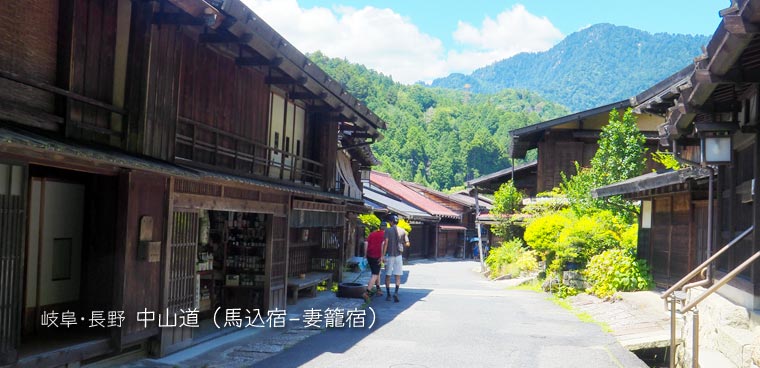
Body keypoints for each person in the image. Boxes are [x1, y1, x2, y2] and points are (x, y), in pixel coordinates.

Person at [381, 214, 409, 302]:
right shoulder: (403, 231)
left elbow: (386, 243)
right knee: (398, 276)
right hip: (399, 256)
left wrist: (382, 255)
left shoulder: (388, 231)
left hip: (390, 256)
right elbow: (408, 244)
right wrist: (401, 243)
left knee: (388, 275)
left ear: (391, 222)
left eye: (389, 221)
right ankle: (396, 293)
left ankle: (388, 294)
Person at [362, 222, 386, 302]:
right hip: (377, 256)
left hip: (369, 255)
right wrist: (382, 256)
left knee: (377, 271)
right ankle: (367, 292)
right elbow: (383, 244)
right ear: (386, 228)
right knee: (375, 274)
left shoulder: (372, 234)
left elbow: (365, 243)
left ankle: (378, 289)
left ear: (379, 227)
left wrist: (365, 254)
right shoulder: (385, 236)